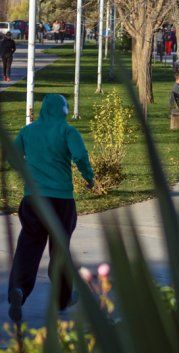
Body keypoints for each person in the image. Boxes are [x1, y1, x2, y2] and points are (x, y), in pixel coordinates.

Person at [8, 94, 95, 323]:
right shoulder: (67, 131)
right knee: (60, 249)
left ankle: (18, 289)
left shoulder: (27, 131)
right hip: (61, 201)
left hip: (33, 200)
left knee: (28, 246)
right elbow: (80, 155)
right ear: (63, 110)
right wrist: (89, 177)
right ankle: (62, 298)